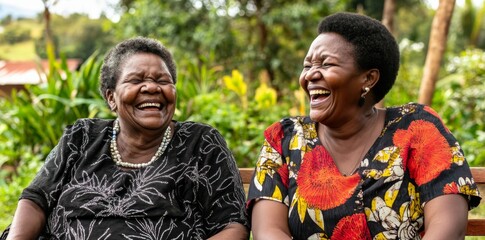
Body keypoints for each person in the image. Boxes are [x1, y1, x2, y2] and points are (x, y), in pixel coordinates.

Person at [247, 12, 481, 240]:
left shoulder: (417, 128)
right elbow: (268, 231)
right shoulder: (284, 139)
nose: (310, 75)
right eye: (307, 66)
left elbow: (448, 227)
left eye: (326, 64)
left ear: (368, 79)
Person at [4, 37, 249, 239]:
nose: (152, 87)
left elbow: (232, 226)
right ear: (111, 97)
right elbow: (35, 200)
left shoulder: (201, 143)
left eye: (163, 80)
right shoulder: (81, 137)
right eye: (137, 80)